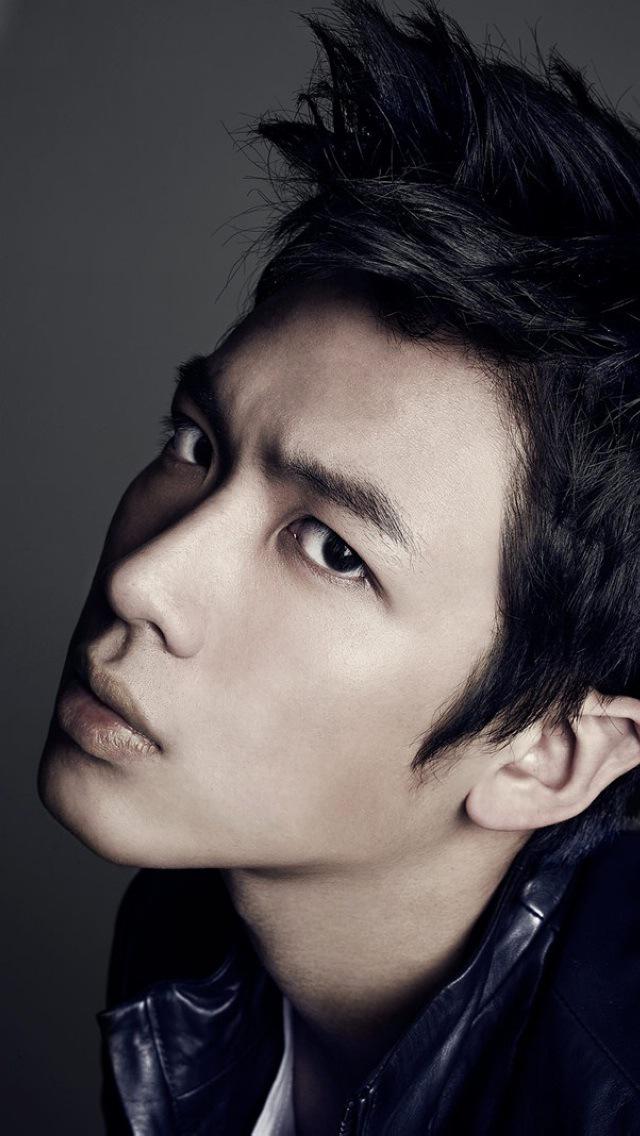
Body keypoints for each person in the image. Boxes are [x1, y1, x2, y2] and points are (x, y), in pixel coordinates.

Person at [37, 1, 640, 1132]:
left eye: (332, 549)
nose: (141, 581)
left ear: (546, 754)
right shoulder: (191, 933)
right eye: (195, 445)